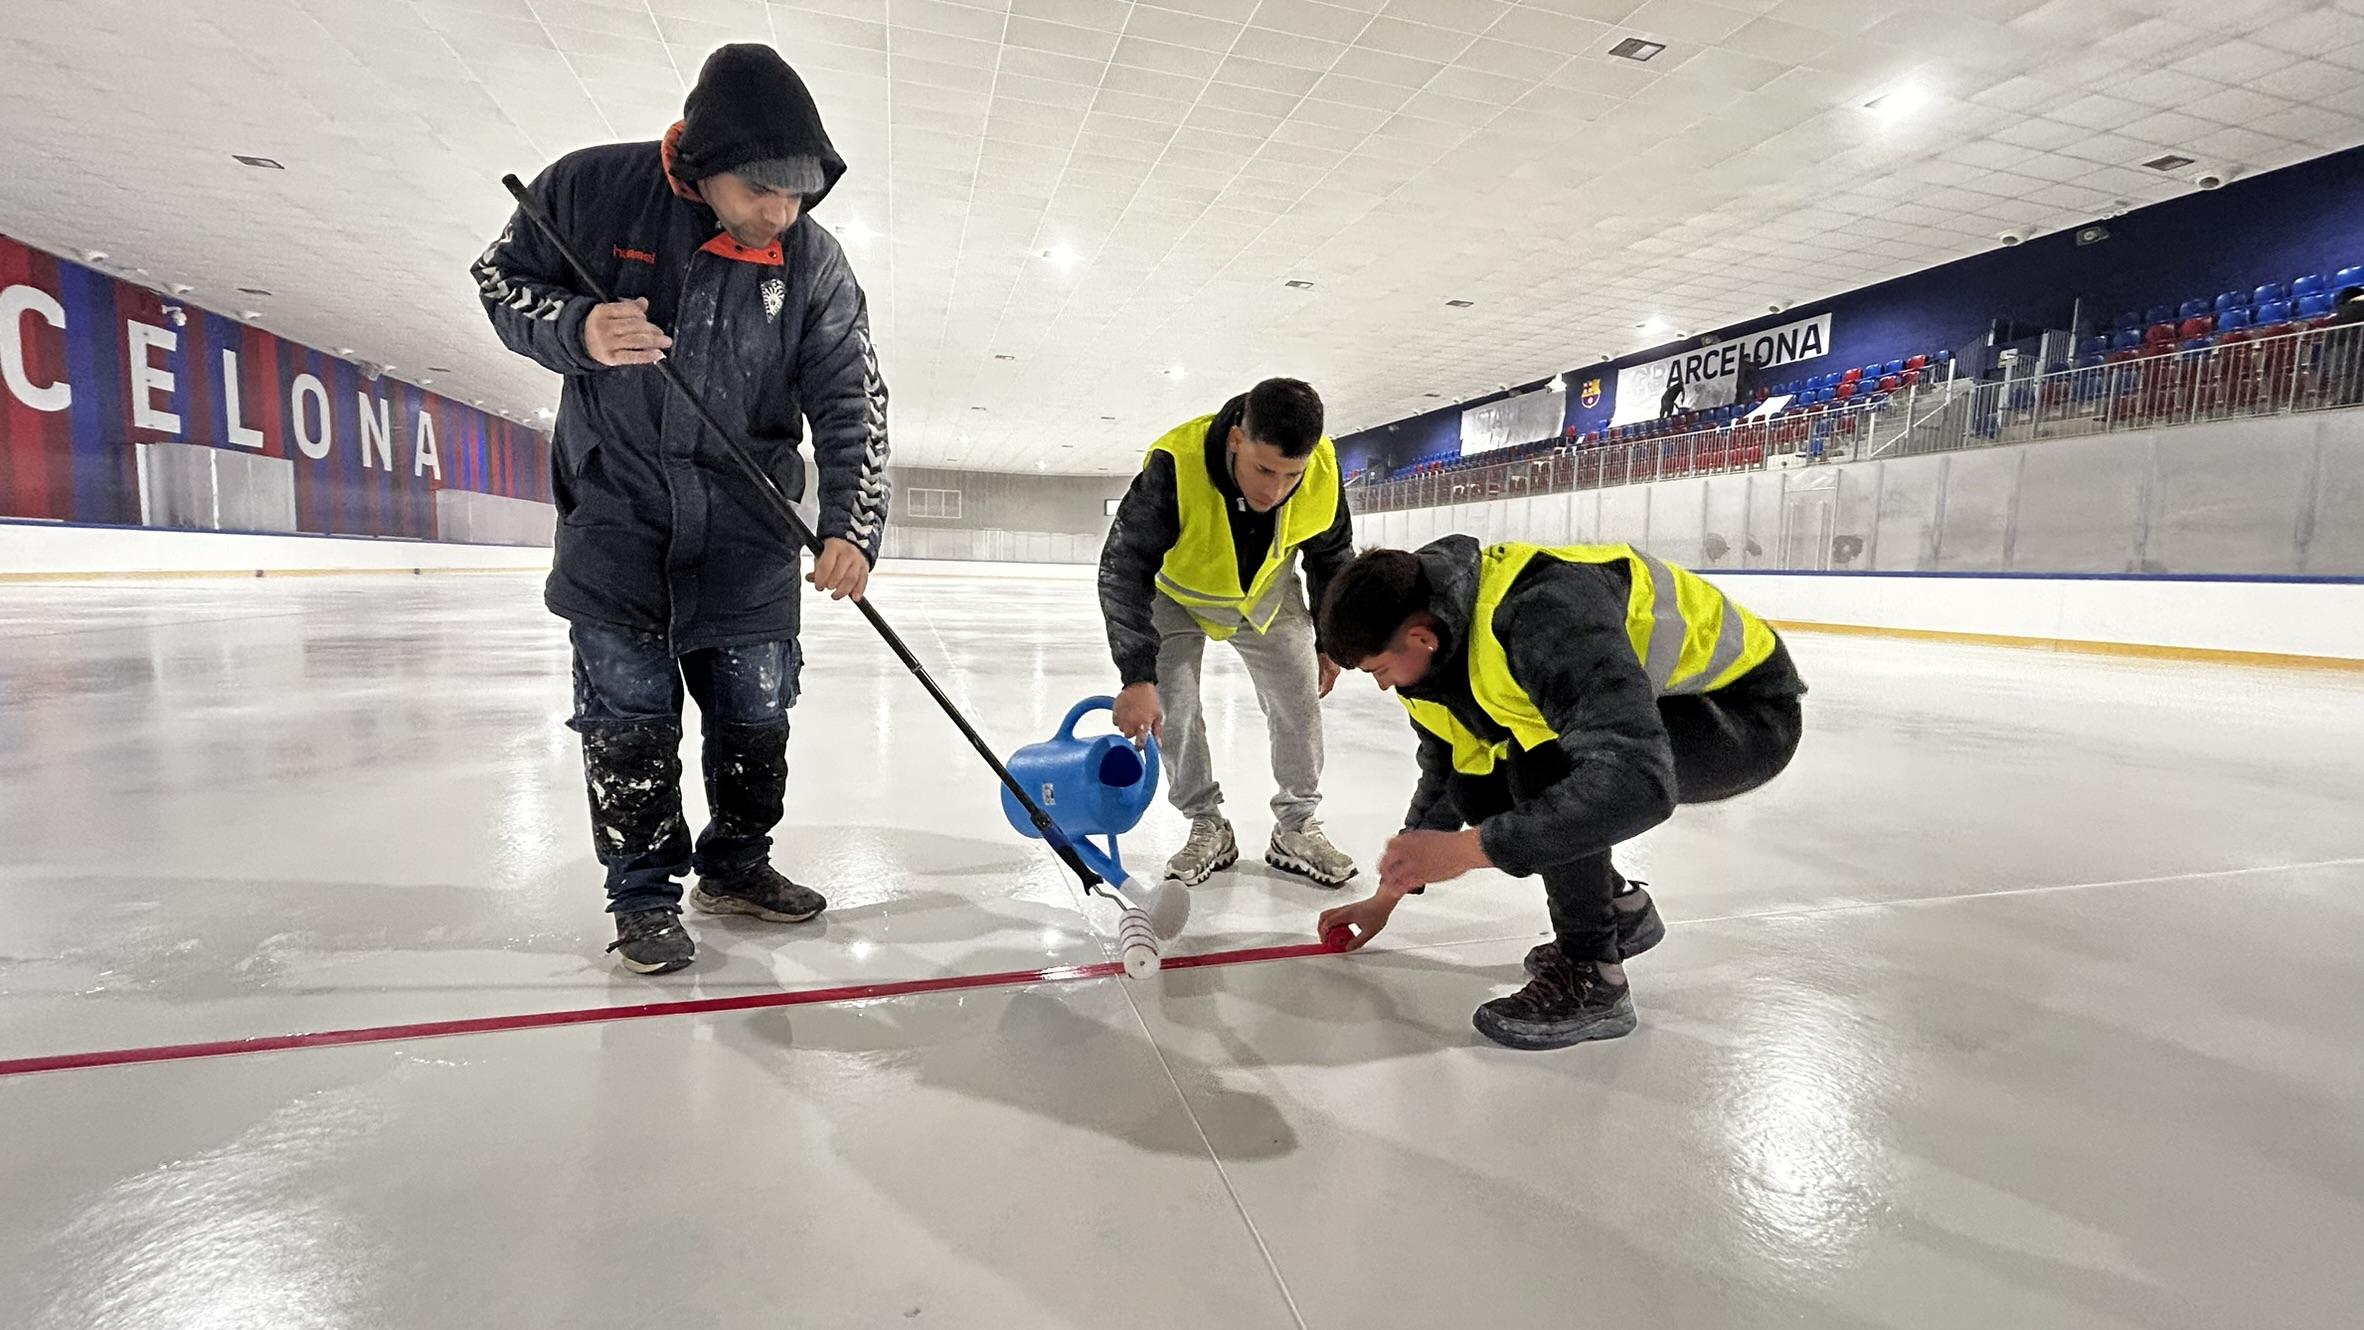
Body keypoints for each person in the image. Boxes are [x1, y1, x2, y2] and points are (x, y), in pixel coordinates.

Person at [472, 44, 891, 975]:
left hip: (746, 534)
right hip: (614, 520)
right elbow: (499, 284)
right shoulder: (588, 190)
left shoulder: (812, 263)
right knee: (628, 724)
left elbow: (853, 398)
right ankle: (642, 897)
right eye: (761, 192)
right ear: (701, 165)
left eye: (801, 194)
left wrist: (851, 527)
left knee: (757, 714)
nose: (781, 214)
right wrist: (576, 330)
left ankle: (738, 867)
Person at [1314, 537, 1806, 1050]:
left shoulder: (1543, 613)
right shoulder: (1434, 656)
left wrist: (1466, 852)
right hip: (1666, 712)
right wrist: (1386, 897)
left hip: (1741, 714)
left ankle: (1593, 977)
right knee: (1477, 787)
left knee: (1543, 764)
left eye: (1380, 671)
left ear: (1420, 637)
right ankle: (1620, 910)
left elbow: (1637, 782)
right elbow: (1446, 773)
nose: (1384, 687)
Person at [1099, 378, 1359, 889]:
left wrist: (1330, 641)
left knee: (1297, 696)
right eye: (1264, 469)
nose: (1274, 489)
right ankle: (1206, 822)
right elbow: (1122, 569)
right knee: (1173, 703)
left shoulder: (1324, 469)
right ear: (1237, 438)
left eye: (1291, 475)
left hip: (1265, 592)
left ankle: (1297, 825)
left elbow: (1332, 557)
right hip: (1175, 593)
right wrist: (1136, 675)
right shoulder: (1176, 464)